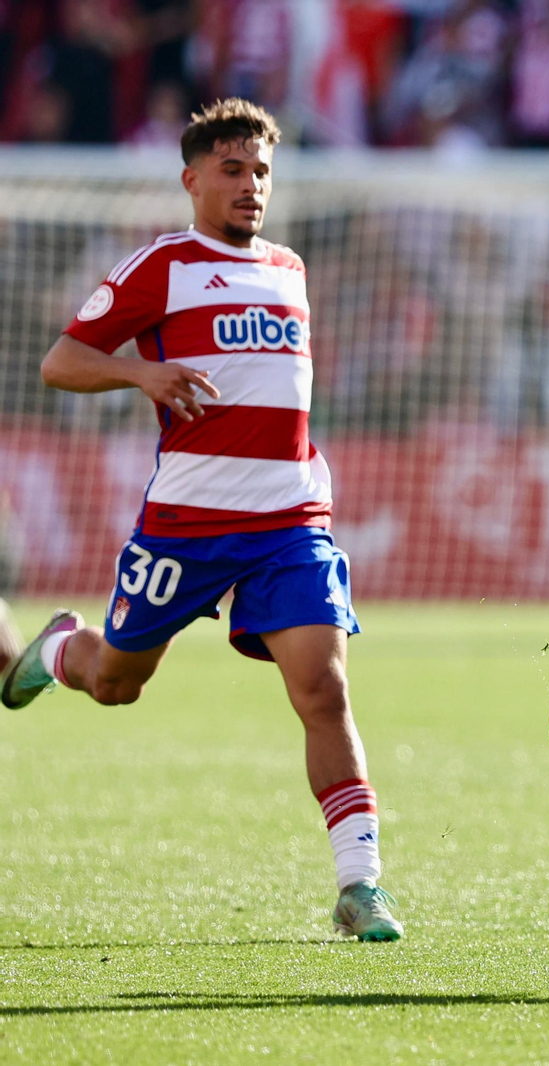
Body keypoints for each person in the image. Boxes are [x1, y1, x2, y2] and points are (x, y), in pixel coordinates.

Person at [0, 98, 403, 941]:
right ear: (192, 180)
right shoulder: (163, 267)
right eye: (232, 170)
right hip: (186, 524)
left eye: (260, 171)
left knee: (324, 690)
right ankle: (55, 650)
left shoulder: (289, 267)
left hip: (290, 520)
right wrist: (140, 377)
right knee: (116, 683)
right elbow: (60, 361)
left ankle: (360, 885)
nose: (250, 186)